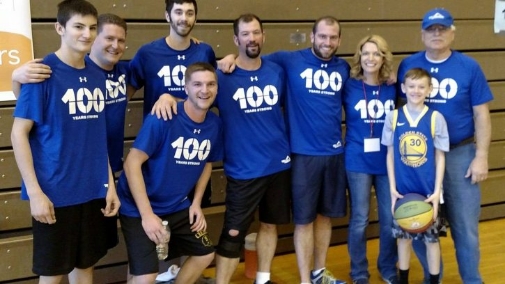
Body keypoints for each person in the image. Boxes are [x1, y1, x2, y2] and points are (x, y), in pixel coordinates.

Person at [219, 16, 349, 284]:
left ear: (339, 40)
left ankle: (317, 274)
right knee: (303, 221)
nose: (327, 41)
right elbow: (246, 58)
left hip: (329, 155)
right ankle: (304, 280)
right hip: (299, 155)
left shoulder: (343, 68)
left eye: (332, 37)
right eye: (322, 36)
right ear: (311, 37)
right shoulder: (288, 61)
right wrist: (227, 58)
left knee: (323, 218)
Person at [10, 1, 120, 283]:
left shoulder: (98, 74)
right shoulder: (41, 73)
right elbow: (18, 133)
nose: (87, 34)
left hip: (93, 192)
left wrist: (109, 185)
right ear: (59, 28)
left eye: (92, 27)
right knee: (53, 275)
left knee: (85, 267)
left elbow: (98, 139)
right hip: (54, 194)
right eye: (79, 27)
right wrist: (35, 193)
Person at [397, 8, 493, 284]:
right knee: (417, 221)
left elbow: (481, 114)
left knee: (465, 228)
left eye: (442, 29)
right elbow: (399, 107)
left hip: (460, 155)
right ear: (422, 34)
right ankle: (432, 278)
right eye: (431, 29)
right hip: (420, 158)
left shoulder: (469, 67)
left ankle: (472, 279)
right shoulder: (409, 65)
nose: (436, 34)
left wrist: (482, 156)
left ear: (453, 32)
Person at [117, 62, 222, 284]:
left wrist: (196, 204)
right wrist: (147, 216)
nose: (205, 90)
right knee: (145, 276)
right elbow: (131, 164)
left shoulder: (214, 124)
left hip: (177, 205)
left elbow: (206, 163)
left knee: (205, 253)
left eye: (211, 84)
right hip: (139, 207)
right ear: (185, 88)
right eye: (197, 84)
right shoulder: (164, 117)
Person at [212, 14, 291, 284]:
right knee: (232, 234)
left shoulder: (276, 70)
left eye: (256, 32)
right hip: (244, 169)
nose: (252, 38)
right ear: (236, 39)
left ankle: (263, 278)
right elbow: (193, 93)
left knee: (270, 225)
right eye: (245, 34)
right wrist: (166, 97)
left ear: (263, 36)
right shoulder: (221, 75)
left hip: (278, 164)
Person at [12, 13, 129, 173]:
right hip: (70, 168)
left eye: (121, 40)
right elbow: (29, 111)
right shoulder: (63, 71)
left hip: (107, 163)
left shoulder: (125, 70)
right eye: (109, 38)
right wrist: (15, 79)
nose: (115, 45)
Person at [382, 68, 449, 284]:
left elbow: (440, 157)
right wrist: (392, 189)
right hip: (403, 191)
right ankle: (403, 280)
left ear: (429, 89)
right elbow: (390, 155)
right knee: (403, 240)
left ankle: (433, 281)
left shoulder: (435, 118)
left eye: (421, 87)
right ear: (403, 88)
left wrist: (438, 192)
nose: (416, 90)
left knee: (432, 241)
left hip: (428, 192)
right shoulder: (393, 117)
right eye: (411, 86)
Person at [342, 35, 398, 284]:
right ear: (359, 57)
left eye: (376, 53)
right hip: (357, 160)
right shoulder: (349, 85)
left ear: (383, 57)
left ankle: (387, 267)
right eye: (366, 53)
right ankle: (359, 271)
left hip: (386, 161)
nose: (371, 58)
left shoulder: (392, 86)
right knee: (360, 220)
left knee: (389, 219)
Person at [128, 0, 216, 119]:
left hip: (196, 133)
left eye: (190, 13)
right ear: (167, 16)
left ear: (195, 18)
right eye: (178, 12)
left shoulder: (205, 52)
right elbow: (125, 95)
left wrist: (232, 58)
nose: (184, 18)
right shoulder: (147, 53)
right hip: (161, 132)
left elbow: (214, 91)